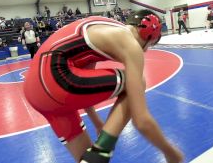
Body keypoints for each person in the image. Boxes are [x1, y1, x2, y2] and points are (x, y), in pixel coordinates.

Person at [23, 10, 184, 163]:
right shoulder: (130, 43)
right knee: (137, 82)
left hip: (36, 92)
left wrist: (98, 123)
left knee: (91, 160)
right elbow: (141, 120)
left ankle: (98, 153)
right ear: (150, 34)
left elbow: (82, 84)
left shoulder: (102, 28)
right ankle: (102, 148)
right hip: (53, 76)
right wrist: (170, 152)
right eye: (151, 45)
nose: (147, 50)